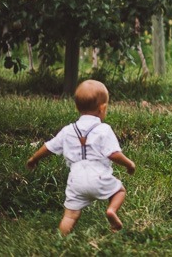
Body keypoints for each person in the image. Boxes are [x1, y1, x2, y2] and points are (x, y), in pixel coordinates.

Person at [26, 79, 136, 234]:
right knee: (119, 191)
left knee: (69, 216)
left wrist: (34, 159)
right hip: (99, 177)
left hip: (75, 180)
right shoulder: (104, 129)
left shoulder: (68, 130)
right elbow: (113, 154)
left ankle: (61, 239)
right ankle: (111, 211)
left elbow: (48, 147)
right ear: (102, 108)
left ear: (77, 107)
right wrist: (129, 164)